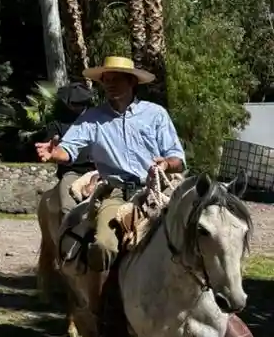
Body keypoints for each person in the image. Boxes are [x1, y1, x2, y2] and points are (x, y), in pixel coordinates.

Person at [35, 56, 185, 271]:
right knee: (103, 246)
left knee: (191, 237)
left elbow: (178, 159)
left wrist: (167, 165)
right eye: (106, 80)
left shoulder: (155, 114)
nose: (110, 84)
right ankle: (103, 289)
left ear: (132, 82)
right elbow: (68, 148)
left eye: (117, 79)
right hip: (116, 193)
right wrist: (54, 153)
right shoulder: (92, 118)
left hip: (157, 191)